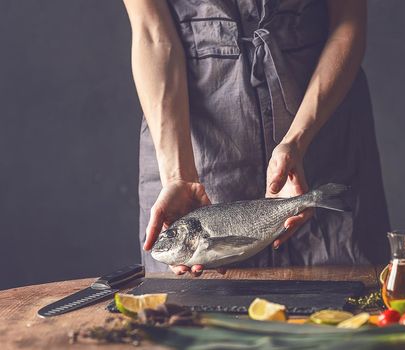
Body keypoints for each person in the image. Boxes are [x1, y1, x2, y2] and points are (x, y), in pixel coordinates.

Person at [122, 0, 389, 276]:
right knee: (188, 311)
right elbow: (152, 35)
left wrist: (297, 139)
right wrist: (179, 176)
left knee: (346, 304)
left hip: (321, 128)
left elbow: (347, 23)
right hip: (189, 147)